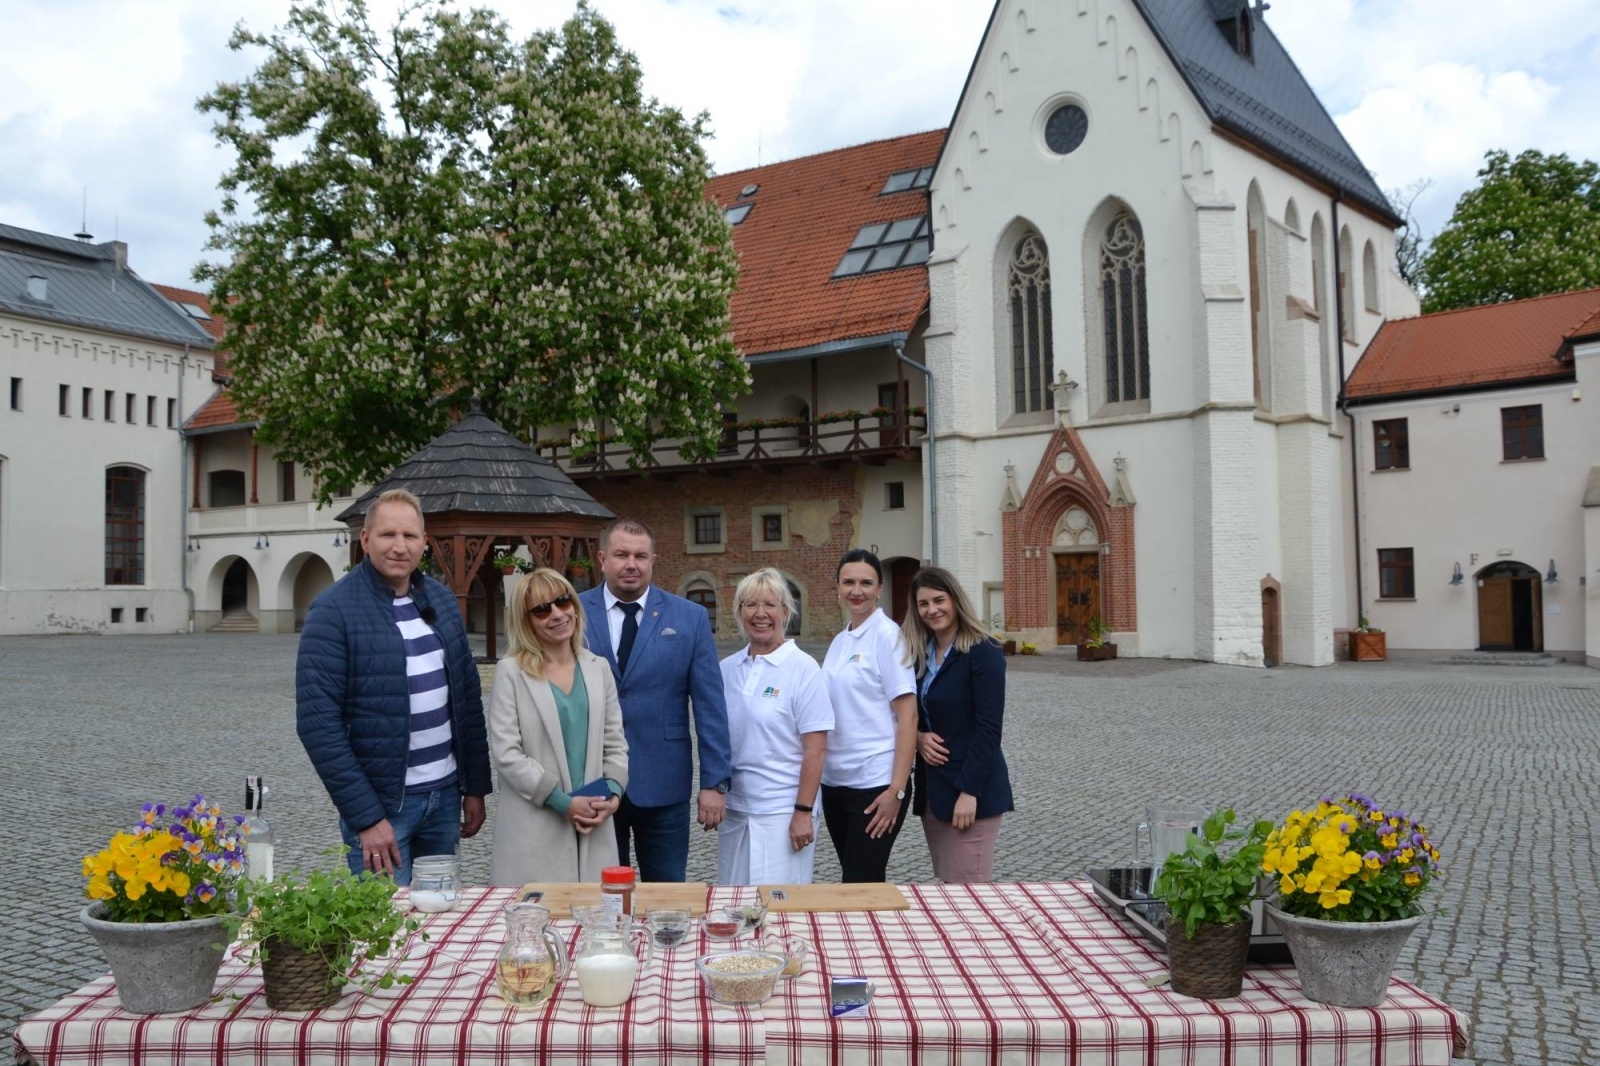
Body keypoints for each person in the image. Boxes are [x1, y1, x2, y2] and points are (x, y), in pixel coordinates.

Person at [296, 488, 492, 885]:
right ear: (365, 540)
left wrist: (475, 787)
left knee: (440, 921)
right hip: (385, 807)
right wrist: (366, 818)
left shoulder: (440, 599)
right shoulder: (333, 611)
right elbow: (318, 724)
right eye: (387, 535)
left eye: (409, 536)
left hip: (444, 795)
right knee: (384, 932)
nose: (399, 546)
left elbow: (467, 701)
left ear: (424, 542)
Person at [578, 519, 732, 882]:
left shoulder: (689, 617)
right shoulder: (573, 613)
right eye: (621, 555)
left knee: (667, 893)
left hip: (665, 781)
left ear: (653, 561)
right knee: (601, 893)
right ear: (602, 558)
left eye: (640, 556)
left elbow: (711, 707)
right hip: (592, 779)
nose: (631, 564)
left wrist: (714, 784)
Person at [487, 569, 628, 885]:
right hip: (536, 826)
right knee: (535, 925)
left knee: (595, 921)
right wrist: (563, 803)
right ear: (526, 621)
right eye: (541, 609)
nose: (557, 614)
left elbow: (615, 743)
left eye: (563, 601)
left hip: (594, 821)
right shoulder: (511, 672)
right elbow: (507, 754)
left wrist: (614, 796)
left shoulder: (598, 668)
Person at [718, 568, 834, 885]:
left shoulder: (803, 669)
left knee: (782, 909)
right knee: (734, 902)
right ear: (739, 612)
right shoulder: (726, 670)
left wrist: (803, 812)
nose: (760, 614)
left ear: (786, 611)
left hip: (782, 813)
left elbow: (816, 749)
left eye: (770, 604)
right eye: (750, 605)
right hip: (736, 811)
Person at [902, 566, 1013, 883]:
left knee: (971, 891)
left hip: (970, 792)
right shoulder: (921, 654)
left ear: (955, 600)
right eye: (924, 604)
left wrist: (969, 792)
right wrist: (919, 738)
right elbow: (915, 714)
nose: (932, 610)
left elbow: (989, 728)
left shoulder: (983, 651)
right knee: (948, 887)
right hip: (934, 794)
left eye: (939, 600)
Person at [820, 549, 918, 882]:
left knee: (862, 883)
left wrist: (897, 791)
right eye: (848, 582)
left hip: (874, 785)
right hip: (835, 782)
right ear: (837, 587)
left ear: (879, 588)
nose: (856, 590)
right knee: (852, 879)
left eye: (865, 582)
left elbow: (908, 717)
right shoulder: (840, 640)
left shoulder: (888, 638)